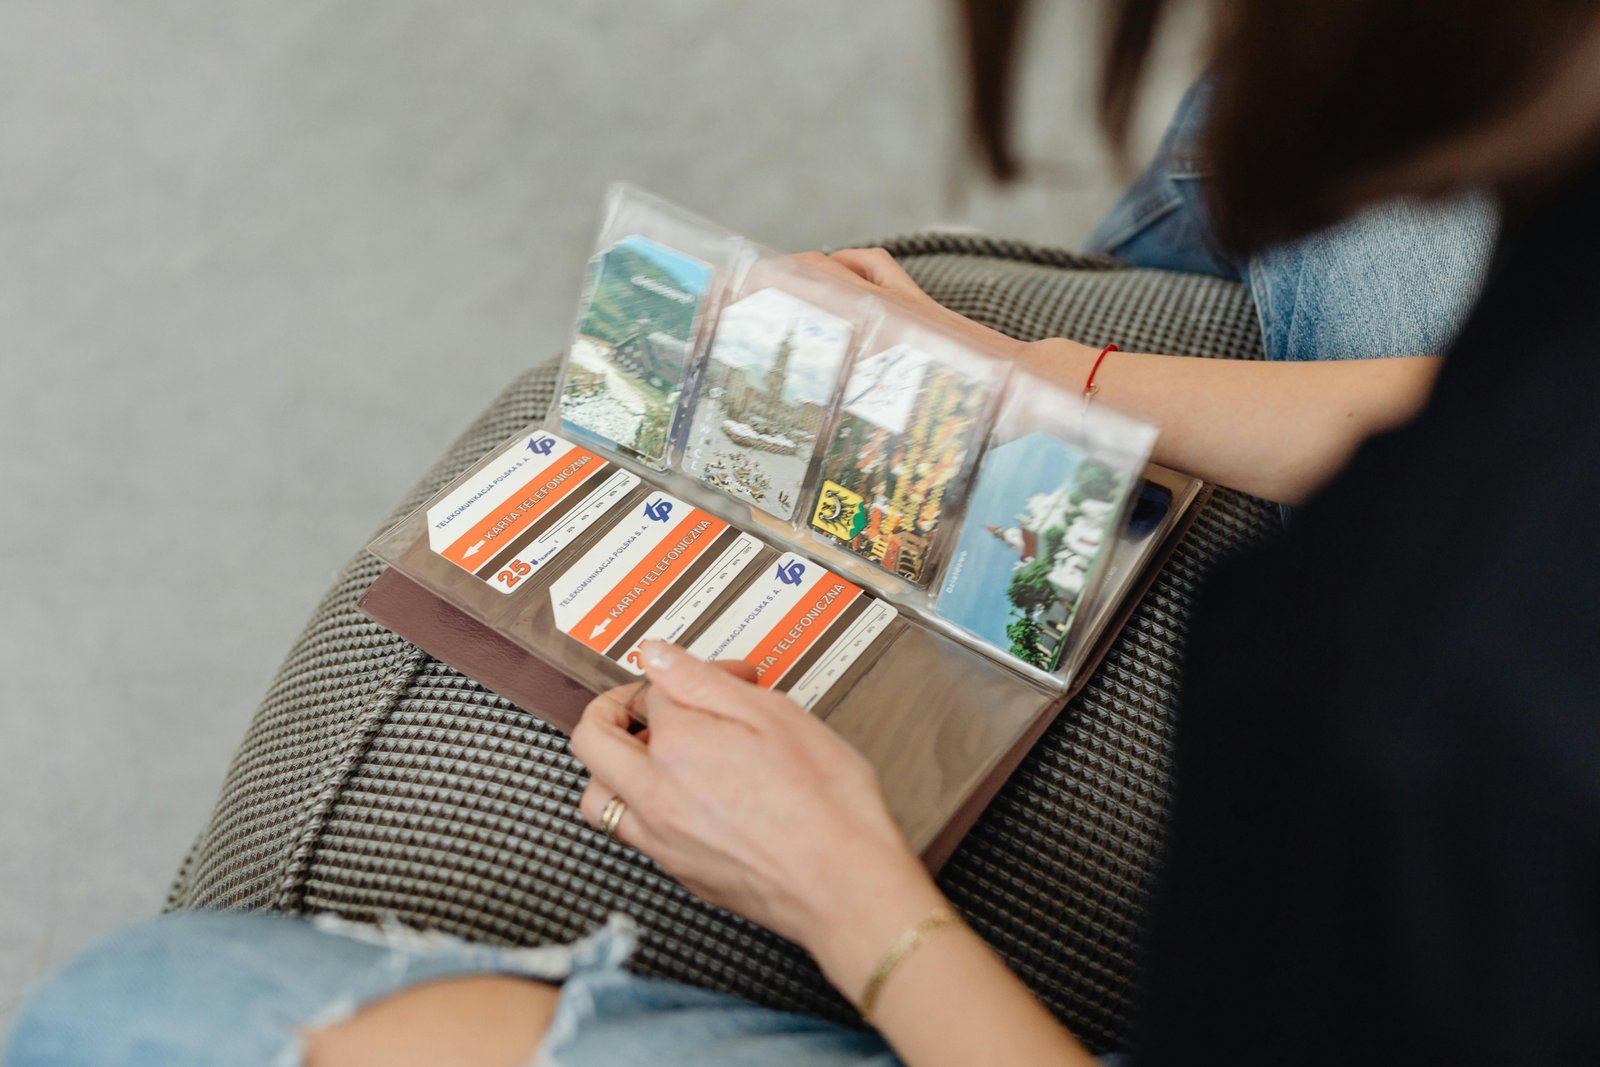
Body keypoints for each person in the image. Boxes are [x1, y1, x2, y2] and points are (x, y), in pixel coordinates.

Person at [10, 0, 1600, 1063]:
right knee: (1334, 139)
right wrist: (1042, 369)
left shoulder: (1405, 703)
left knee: (136, 1020)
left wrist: (846, 891)